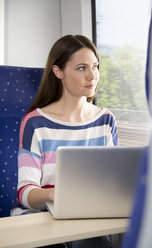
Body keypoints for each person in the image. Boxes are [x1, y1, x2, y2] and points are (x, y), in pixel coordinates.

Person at [11, 35, 118, 248]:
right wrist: (54, 194)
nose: (92, 76)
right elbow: (25, 193)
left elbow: (112, 183)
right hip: (39, 217)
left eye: (95, 66)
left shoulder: (106, 120)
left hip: (86, 218)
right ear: (58, 71)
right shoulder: (35, 123)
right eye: (81, 68)